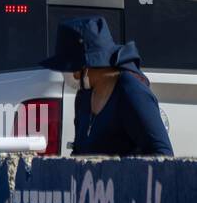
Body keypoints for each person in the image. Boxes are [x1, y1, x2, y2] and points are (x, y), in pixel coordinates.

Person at [40, 15, 173, 156]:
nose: (65, 73)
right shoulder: (84, 96)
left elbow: (163, 154)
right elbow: (79, 151)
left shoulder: (131, 92)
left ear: (86, 65)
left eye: (68, 67)